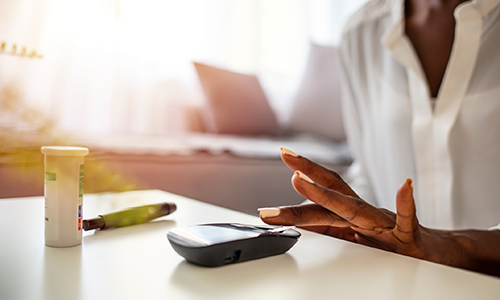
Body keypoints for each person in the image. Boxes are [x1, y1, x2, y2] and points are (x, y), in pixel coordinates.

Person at [258, 0, 500, 277]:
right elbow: (372, 171)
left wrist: (451, 247)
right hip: (403, 285)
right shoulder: (360, 32)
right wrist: (335, 217)